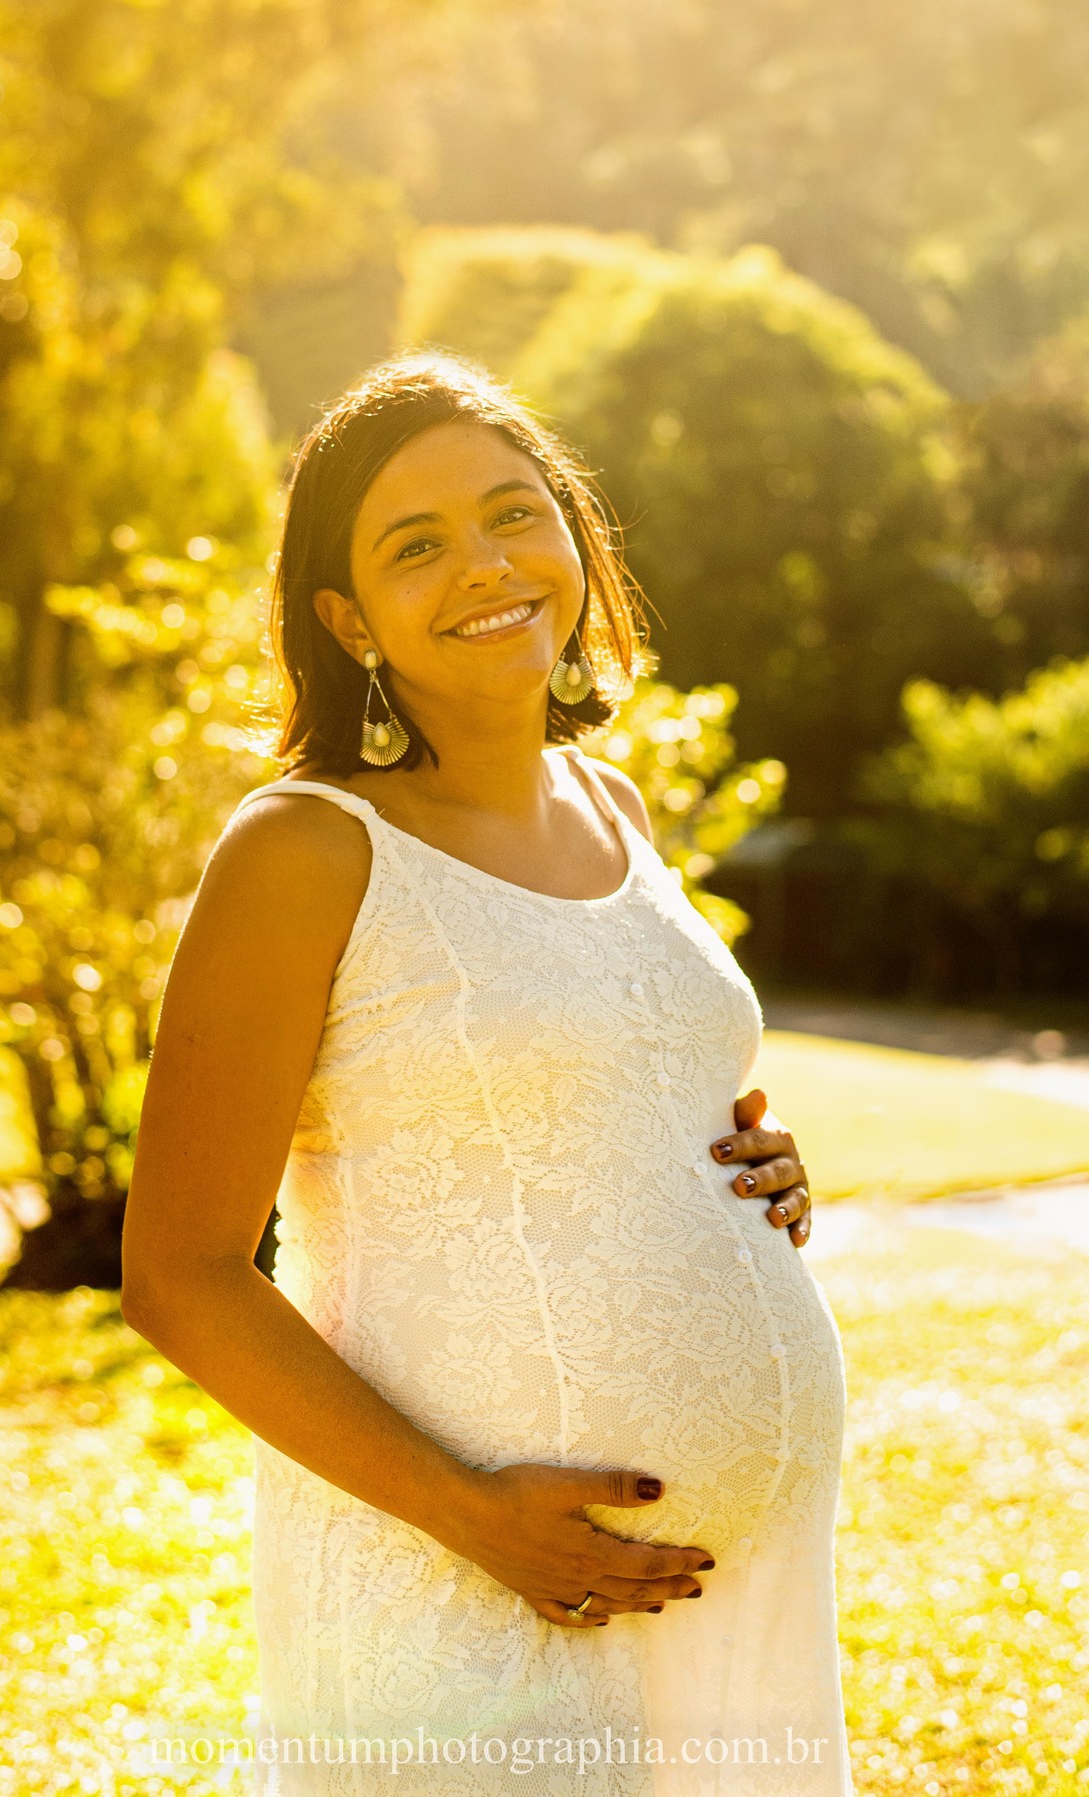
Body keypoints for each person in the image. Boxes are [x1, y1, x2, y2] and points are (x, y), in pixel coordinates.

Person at [121, 351, 852, 1795]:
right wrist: (473, 1514)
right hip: (460, 1589)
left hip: (734, 1594)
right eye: (416, 545)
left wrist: (749, 1172)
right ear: (347, 618)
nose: (485, 564)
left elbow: (613, 1091)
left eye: (515, 512)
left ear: (574, 534)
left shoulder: (615, 804)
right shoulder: (305, 850)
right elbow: (180, 1274)